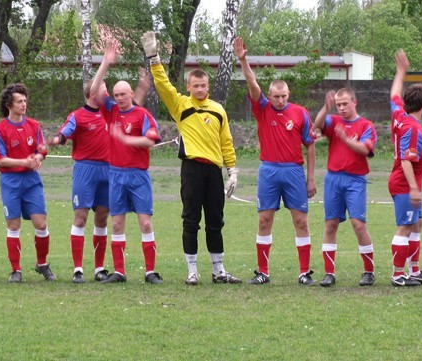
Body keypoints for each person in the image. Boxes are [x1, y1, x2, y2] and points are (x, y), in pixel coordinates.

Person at [142, 31, 241, 285]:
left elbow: (226, 142)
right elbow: (163, 84)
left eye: (203, 85)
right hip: (192, 170)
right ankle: (192, 271)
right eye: (195, 86)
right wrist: (154, 57)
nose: (199, 89)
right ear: (188, 87)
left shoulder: (218, 110)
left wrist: (232, 171)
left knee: (215, 222)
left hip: (214, 173)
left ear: (208, 87)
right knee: (191, 220)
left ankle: (219, 270)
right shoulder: (181, 106)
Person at [233, 37, 317, 286]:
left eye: (284, 96)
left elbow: (310, 144)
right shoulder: (263, 108)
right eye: (276, 96)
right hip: (268, 171)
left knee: (301, 221)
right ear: (269, 96)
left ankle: (304, 272)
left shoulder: (300, 113)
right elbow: (252, 82)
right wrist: (243, 60)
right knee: (264, 220)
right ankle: (263, 272)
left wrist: (310, 178)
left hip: (293, 172)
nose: (280, 100)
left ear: (288, 94)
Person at [89, 42, 163, 284]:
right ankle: (119, 271)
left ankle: (150, 271)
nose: (119, 98)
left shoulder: (142, 115)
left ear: (132, 94)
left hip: (138, 175)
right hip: (116, 175)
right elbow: (93, 90)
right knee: (117, 222)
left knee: (145, 222)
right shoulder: (109, 111)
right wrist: (106, 62)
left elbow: (150, 141)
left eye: (123, 94)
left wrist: (126, 138)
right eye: (116, 94)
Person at [0, 83, 55, 283]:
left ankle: (42, 264)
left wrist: (37, 158)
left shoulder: (34, 126)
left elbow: (42, 150)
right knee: (13, 224)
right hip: (10, 181)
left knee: (41, 223)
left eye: (25, 100)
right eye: (20, 101)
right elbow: (0, 159)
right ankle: (16, 270)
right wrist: (24, 162)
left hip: (31, 181)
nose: (24, 104)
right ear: (9, 104)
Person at [313, 87, 377, 287]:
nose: (341, 108)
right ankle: (329, 273)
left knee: (358, 225)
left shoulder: (366, 125)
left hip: (355, 180)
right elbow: (317, 125)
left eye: (344, 104)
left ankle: (369, 271)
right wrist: (326, 107)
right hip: (333, 179)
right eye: (338, 104)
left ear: (354, 102)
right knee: (330, 224)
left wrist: (346, 139)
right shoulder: (334, 121)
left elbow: (366, 149)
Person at [49, 83, 111, 284]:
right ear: (92, 93)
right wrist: (57, 139)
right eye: (104, 88)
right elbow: (65, 132)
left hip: (107, 171)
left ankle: (99, 268)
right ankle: (78, 269)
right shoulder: (77, 115)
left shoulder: (109, 113)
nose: (107, 92)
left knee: (101, 219)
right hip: (85, 170)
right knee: (80, 218)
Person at [388, 50, 422, 287]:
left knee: (416, 224)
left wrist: (401, 71)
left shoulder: (399, 114)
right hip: (404, 184)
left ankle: (414, 270)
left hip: (407, 183)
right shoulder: (413, 129)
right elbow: (407, 160)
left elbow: (393, 93)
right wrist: (414, 189)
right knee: (405, 227)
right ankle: (398, 274)